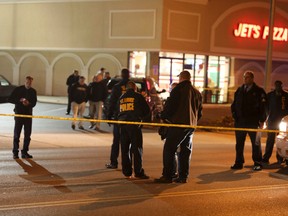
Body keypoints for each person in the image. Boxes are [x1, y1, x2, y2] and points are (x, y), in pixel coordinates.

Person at [155, 70, 202, 183]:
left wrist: (163, 116)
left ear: (181, 78)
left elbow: (171, 106)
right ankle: (183, 176)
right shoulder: (197, 92)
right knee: (185, 151)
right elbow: (199, 112)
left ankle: (168, 175)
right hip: (191, 125)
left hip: (179, 124)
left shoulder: (178, 89)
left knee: (169, 148)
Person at [231, 71, 267, 171]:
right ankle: (238, 162)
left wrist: (262, 120)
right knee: (239, 144)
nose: (245, 79)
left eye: (247, 77)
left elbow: (263, 107)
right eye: (244, 77)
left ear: (252, 78)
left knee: (256, 144)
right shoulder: (240, 90)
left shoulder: (259, 91)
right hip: (240, 122)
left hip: (253, 122)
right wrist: (234, 115)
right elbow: (234, 104)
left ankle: (257, 163)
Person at [118, 81, 151, 179]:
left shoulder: (121, 98)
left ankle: (127, 172)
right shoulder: (138, 96)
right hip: (134, 125)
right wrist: (143, 120)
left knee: (124, 149)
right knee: (137, 149)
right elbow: (147, 110)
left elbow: (117, 111)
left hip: (123, 125)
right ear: (134, 88)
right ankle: (138, 171)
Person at [105, 68, 130, 169]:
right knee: (128, 143)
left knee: (116, 142)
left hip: (119, 118)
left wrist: (109, 115)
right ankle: (127, 165)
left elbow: (112, 102)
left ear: (121, 75)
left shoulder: (117, 87)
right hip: (130, 118)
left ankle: (114, 162)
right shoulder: (133, 87)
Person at [8, 76, 37, 159]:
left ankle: (25, 152)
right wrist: (20, 101)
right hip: (19, 114)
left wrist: (29, 104)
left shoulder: (33, 91)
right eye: (27, 82)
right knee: (17, 134)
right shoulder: (18, 89)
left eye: (30, 83)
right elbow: (10, 99)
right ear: (25, 82)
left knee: (27, 135)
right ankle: (15, 152)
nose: (29, 84)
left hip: (28, 115)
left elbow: (34, 103)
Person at [262, 80, 288, 165]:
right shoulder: (270, 95)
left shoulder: (286, 95)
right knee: (270, 140)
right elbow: (265, 107)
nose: (278, 87)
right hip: (272, 121)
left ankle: (280, 158)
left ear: (281, 86)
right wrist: (266, 117)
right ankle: (266, 158)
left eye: (279, 86)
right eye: (277, 86)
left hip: (282, 122)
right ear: (275, 86)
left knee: (281, 140)